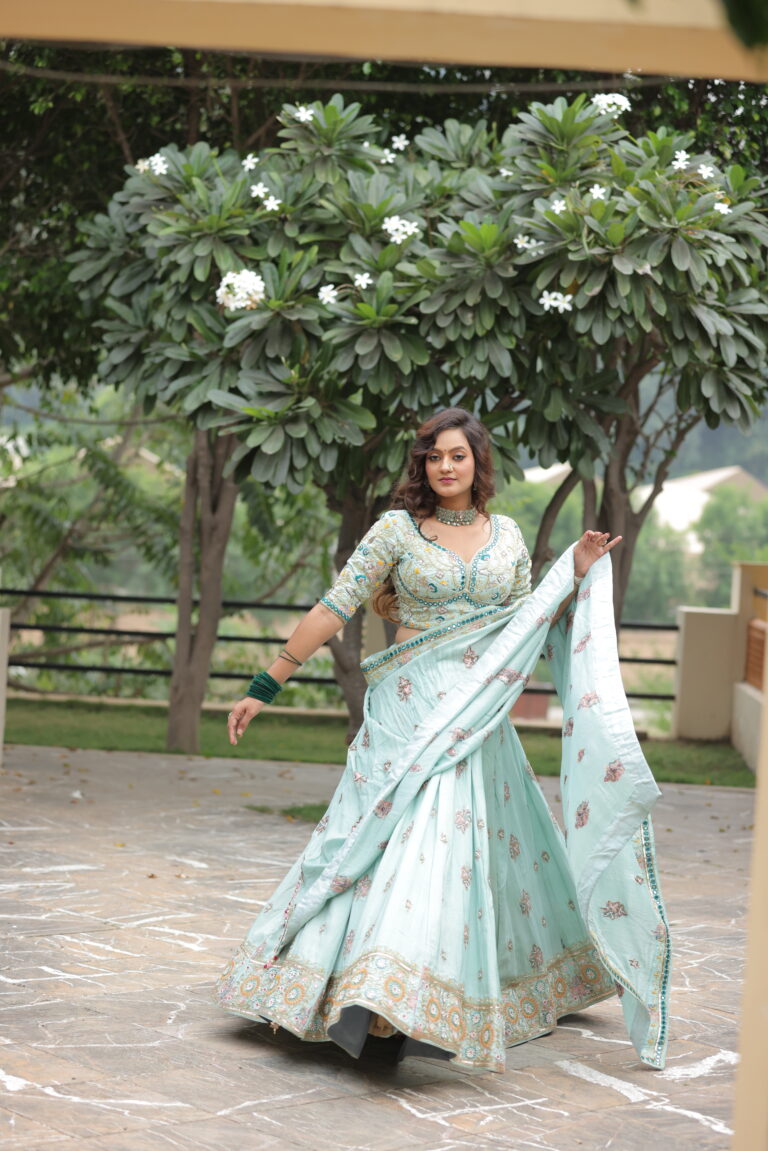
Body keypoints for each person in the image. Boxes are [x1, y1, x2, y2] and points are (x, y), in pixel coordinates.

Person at [215, 408, 670, 1073]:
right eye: (434, 456)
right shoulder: (397, 530)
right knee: (403, 838)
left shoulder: (507, 536)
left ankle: (411, 999)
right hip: (409, 706)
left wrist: (575, 571)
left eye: (457, 455)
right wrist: (266, 683)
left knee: (453, 850)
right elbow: (336, 605)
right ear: (422, 465)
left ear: (478, 461)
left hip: (477, 714)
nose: (445, 466)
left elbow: (527, 621)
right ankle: (372, 999)